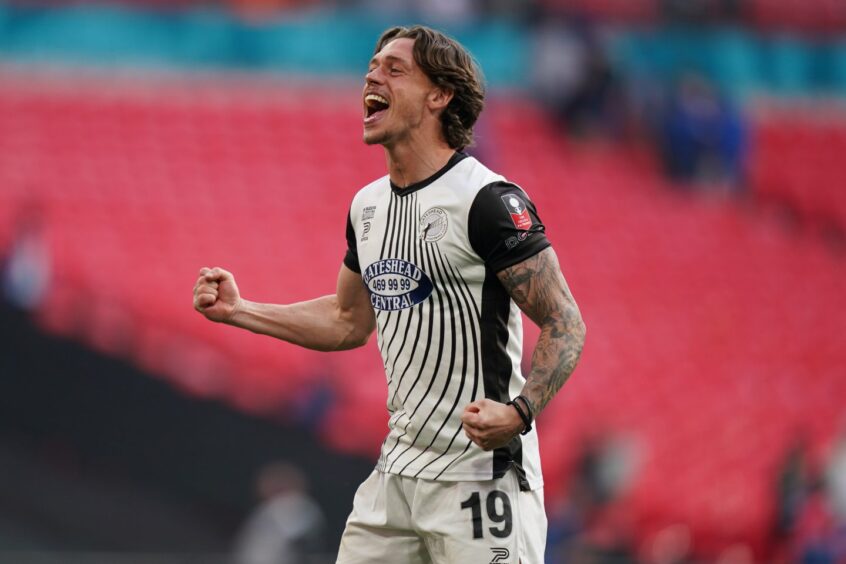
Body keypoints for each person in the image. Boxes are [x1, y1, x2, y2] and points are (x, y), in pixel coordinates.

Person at [193, 25, 586, 563]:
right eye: (371, 68)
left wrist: (519, 413)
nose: (373, 76)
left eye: (394, 69)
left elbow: (566, 322)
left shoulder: (487, 201)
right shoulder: (366, 207)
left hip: (480, 479)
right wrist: (240, 310)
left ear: (439, 95)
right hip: (395, 478)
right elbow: (346, 319)